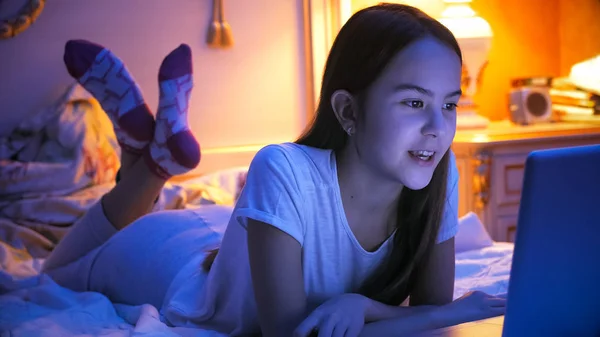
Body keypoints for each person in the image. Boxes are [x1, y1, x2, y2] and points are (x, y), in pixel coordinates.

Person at [43, 3, 506, 337]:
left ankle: (149, 157)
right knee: (53, 273)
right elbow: (290, 332)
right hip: (168, 259)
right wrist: (370, 309)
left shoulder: (437, 174)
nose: (437, 128)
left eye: (449, 104)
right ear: (348, 112)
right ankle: (148, 169)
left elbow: (432, 311)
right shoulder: (282, 167)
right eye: (413, 102)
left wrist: (361, 306)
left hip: (228, 235)